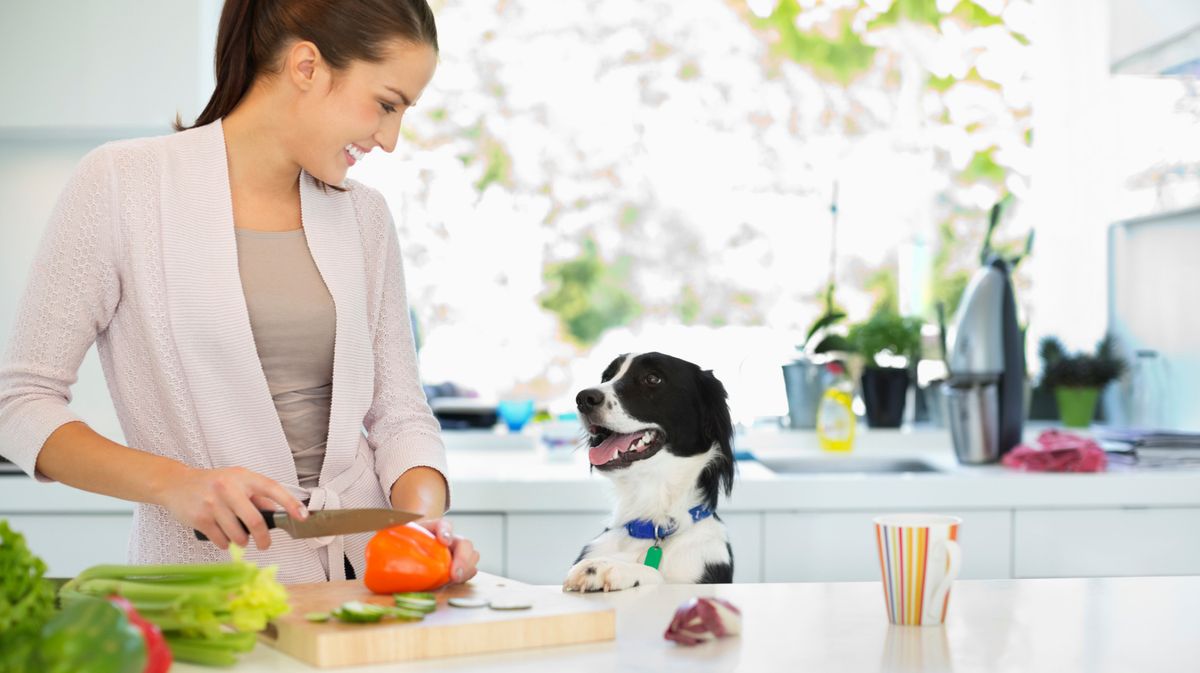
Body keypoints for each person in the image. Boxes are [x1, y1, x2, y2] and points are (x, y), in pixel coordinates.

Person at [0, 0, 479, 585]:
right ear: (307, 66)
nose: (390, 138)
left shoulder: (364, 218)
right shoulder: (124, 185)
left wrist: (421, 526)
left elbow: (401, 414)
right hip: (206, 589)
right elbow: (20, 404)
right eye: (386, 104)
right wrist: (177, 484)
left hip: (368, 577)